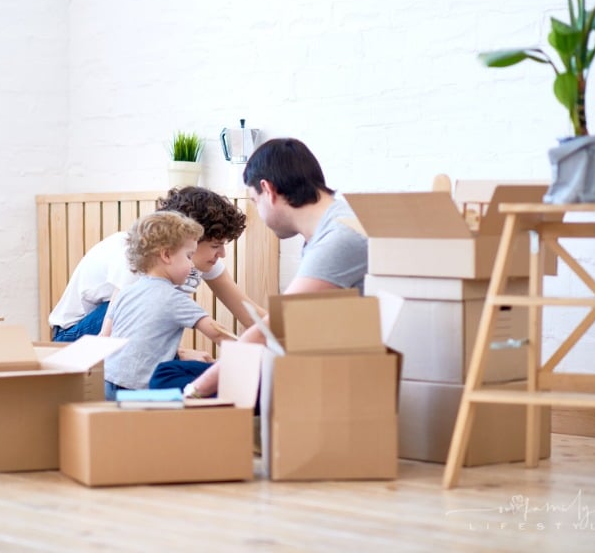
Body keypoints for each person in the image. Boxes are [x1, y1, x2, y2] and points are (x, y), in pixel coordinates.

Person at [150, 137, 369, 398]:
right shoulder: (336, 223)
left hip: (321, 378)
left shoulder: (337, 238)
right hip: (311, 363)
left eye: (255, 201)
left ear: (268, 190)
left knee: (168, 379)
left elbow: (275, 327)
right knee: (170, 371)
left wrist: (197, 389)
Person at [48, 187, 264, 348]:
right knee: (149, 300)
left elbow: (248, 312)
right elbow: (113, 332)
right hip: (74, 337)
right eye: (216, 246)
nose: (222, 254)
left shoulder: (201, 261)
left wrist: (287, 336)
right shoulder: (136, 254)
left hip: (123, 336)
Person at [99, 211, 233, 400]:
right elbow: (217, 332)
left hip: (108, 382)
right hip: (140, 389)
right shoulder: (173, 298)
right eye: (188, 256)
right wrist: (247, 353)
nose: (192, 265)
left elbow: (110, 337)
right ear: (166, 255)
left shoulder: (126, 292)